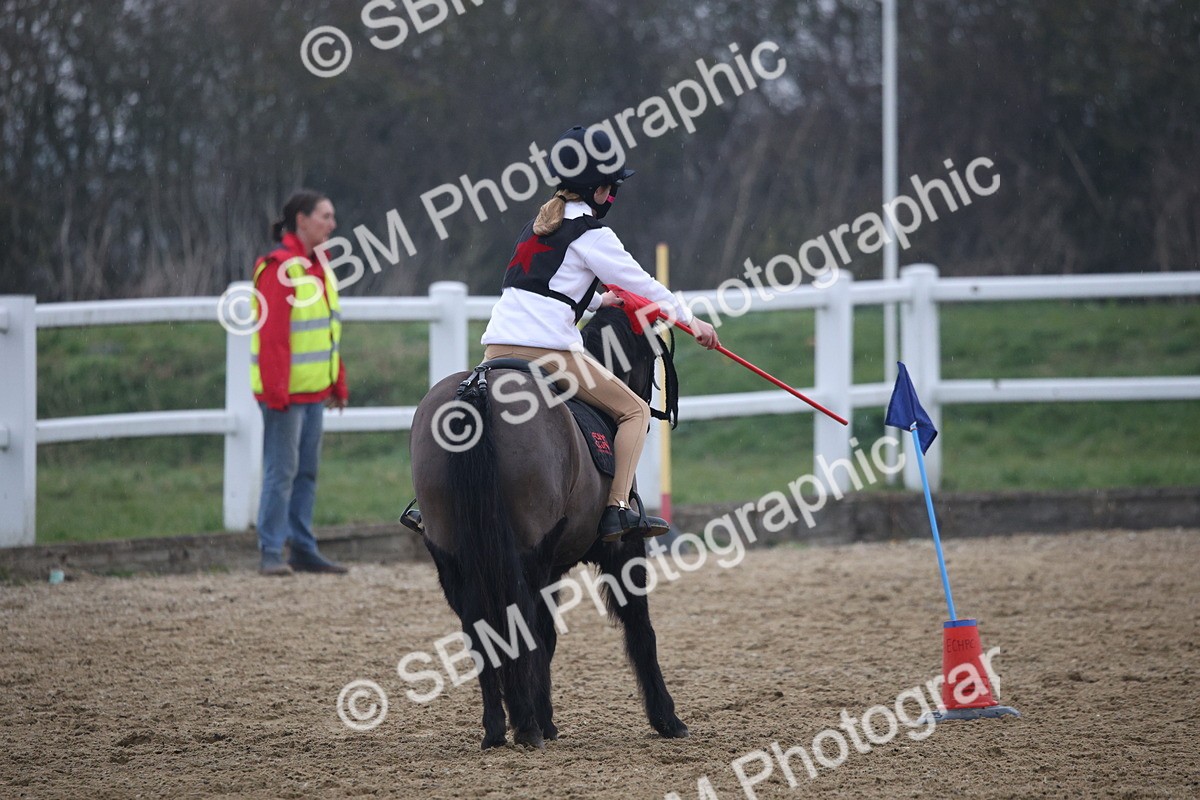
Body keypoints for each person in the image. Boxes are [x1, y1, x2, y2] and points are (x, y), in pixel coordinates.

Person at [480, 125, 720, 542]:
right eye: (611, 188)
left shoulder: (536, 226)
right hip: (548, 352)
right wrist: (691, 321)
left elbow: (539, 284)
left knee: (469, 417)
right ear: (599, 190)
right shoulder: (593, 234)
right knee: (635, 412)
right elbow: (644, 285)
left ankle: (428, 503)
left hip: (495, 346)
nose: (612, 196)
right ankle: (617, 510)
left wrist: (596, 302)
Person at [250, 189, 350, 575]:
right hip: (286, 395)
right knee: (281, 473)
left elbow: (328, 331)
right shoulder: (278, 267)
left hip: (312, 391)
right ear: (302, 220)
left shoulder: (317, 265)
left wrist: (336, 383)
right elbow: (273, 336)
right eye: (325, 216)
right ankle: (272, 551)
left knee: (304, 472)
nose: (332, 224)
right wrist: (276, 394)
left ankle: (302, 548)